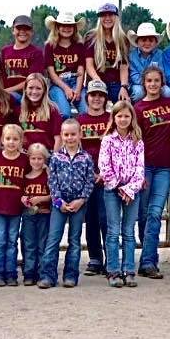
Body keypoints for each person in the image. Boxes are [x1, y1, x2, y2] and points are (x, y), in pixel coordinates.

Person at [134, 65, 170, 279]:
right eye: (149, 81)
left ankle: (148, 262)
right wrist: (136, 171)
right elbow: (134, 141)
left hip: (163, 168)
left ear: (162, 83)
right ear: (144, 83)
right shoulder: (138, 108)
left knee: (154, 214)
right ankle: (147, 255)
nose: (153, 84)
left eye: (156, 81)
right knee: (143, 214)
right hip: (144, 167)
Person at [43, 118, 95, 289]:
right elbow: (52, 182)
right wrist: (59, 201)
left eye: (73, 134)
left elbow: (89, 181)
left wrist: (81, 200)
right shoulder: (56, 158)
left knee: (74, 239)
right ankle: (48, 275)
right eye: (66, 135)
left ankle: (71, 275)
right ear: (61, 135)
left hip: (78, 204)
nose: (70, 138)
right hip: (60, 204)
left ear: (80, 135)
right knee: (53, 239)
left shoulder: (86, 158)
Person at [98, 100, 144, 288]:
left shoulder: (137, 140)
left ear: (132, 118)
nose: (123, 119)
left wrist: (130, 189)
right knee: (113, 230)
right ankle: (113, 270)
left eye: (126, 116)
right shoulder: (108, 140)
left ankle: (129, 269)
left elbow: (140, 168)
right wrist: (119, 187)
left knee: (128, 232)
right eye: (119, 116)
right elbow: (104, 166)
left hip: (132, 191)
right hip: (112, 190)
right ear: (114, 118)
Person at [75, 80, 113, 276]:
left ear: (105, 98)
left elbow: (117, 147)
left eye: (100, 95)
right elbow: (76, 149)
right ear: (87, 97)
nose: (96, 98)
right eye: (93, 95)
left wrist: (105, 173)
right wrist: (90, 173)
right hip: (86, 176)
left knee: (106, 219)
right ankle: (95, 258)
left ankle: (111, 258)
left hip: (107, 176)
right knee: (90, 219)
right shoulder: (80, 120)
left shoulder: (111, 119)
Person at [0, 124, 29, 286]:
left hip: (15, 207)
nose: (11, 142)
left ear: (21, 142)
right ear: (2, 140)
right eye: (8, 139)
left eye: (15, 139)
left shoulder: (25, 160)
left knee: (12, 241)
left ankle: (11, 273)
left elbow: (32, 177)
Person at [19, 142, 53, 286]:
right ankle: (29, 273)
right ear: (29, 159)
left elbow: (53, 194)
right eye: (33, 158)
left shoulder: (47, 175)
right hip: (29, 215)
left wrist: (41, 198)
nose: (36, 162)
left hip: (44, 213)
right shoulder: (25, 177)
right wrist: (23, 199)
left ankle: (41, 272)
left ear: (44, 159)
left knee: (42, 244)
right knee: (29, 244)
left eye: (40, 159)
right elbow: (20, 194)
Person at [42, 12, 86, 117]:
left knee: (85, 111)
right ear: (57, 27)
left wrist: (78, 90)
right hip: (58, 84)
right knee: (65, 113)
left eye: (70, 26)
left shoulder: (79, 46)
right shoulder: (50, 46)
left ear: (74, 28)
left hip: (76, 82)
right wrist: (66, 88)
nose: (66, 28)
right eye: (63, 25)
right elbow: (52, 73)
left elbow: (81, 71)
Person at [85, 4, 131, 104]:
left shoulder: (122, 39)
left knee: (124, 104)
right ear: (99, 18)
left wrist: (124, 87)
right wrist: (98, 81)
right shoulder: (91, 37)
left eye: (110, 15)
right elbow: (89, 65)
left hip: (116, 82)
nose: (107, 18)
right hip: (96, 80)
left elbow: (124, 66)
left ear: (116, 17)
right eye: (103, 15)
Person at [0, 14, 46, 100]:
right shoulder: (5, 51)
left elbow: (32, 81)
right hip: (6, 94)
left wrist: (6, 91)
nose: (22, 31)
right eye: (19, 28)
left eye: (26, 28)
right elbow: (0, 75)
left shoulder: (37, 53)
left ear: (32, 32)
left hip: (28, 96)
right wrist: (1, 91)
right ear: (13, 30)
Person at [16, 72, 62, 154]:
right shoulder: (19, 110)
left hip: (46, 154)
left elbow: (58, 138)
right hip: (25, 154)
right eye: (30, 88)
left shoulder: (52, 110)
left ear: (44, 90)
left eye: (38, 88)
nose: (34, 92)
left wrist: (54, 159)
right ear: (25, 90)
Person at [127, 23, 164, 102]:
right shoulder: (131, 56)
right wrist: (147, 83)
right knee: (139, 92)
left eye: (151, 40)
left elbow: (162, 72)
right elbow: (133, 75)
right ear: (137, 42)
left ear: (155, 42)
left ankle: (163, 110)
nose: (147, 43)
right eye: (143, 40)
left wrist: (154, 83)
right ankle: (137, 111)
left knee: (167, 92)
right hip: (138, 84)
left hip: (157, 82)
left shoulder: (160, 54)